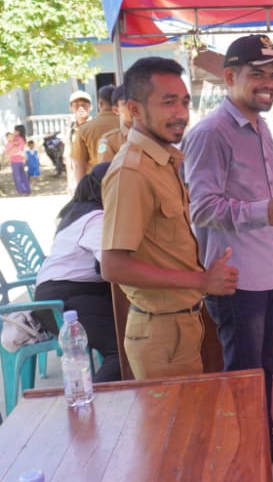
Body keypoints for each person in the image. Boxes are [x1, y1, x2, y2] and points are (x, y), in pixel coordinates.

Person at [182, 34, 273, 466]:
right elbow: (202, 208)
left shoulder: (260, 128)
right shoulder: (210, 134)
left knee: (270, 361)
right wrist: (264, 211)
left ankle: (258, 437)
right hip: (236, 280)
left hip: (269, 272)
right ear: (229, 77)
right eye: (257, 74)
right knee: (244, 372)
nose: (268, 83)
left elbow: (270, 206)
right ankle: (244, 453)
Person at [99, 56, 239, 382]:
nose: (181, 113)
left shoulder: (163, 160)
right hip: (160, 333)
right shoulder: (131, 172)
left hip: (180, 324)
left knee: (187, 427)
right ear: (133, 109)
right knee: (171, 431)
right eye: (167, 103)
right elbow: (113, 266)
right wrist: (201, 282)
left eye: (184, 102)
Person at [33, 162, 120, 382]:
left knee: (135, 331)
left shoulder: (79, 210)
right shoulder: (97, 217)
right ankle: (94, 408)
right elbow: (110, 266)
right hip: (63, 302)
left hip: (62, 294)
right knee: (125, 348)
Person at [72, 85, 119, 182]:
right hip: (125, 182)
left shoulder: (85, 129)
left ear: (100, 104)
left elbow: (79, 165)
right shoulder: (129, 125)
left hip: (97, 185)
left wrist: (82, 192)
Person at [65, 90, 93, 195]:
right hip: (77, 180)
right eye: (76, 105)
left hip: (93, 179)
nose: (80, 108)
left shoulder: (95, 127)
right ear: (71, 108)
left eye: (84, 105)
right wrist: (70, 182)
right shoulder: (70, 130)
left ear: (90, 107)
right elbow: (68, 158)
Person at [100, 84, 131, 163]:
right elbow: (106, 171)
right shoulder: (109, 141)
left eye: (136, 102)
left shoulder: (154, 134)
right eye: (125, 104)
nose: (131, 107)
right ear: (116, 110)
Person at [5, 125, 30, 196]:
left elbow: (12, 149)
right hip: (21, 160)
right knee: (23, 176)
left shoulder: (16, 138)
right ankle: (27, 190)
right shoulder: (22, 139)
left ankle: (21, 191)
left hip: (14, 160)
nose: (14, 132)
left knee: (17, 177)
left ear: (18, 131)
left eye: (15, 130)